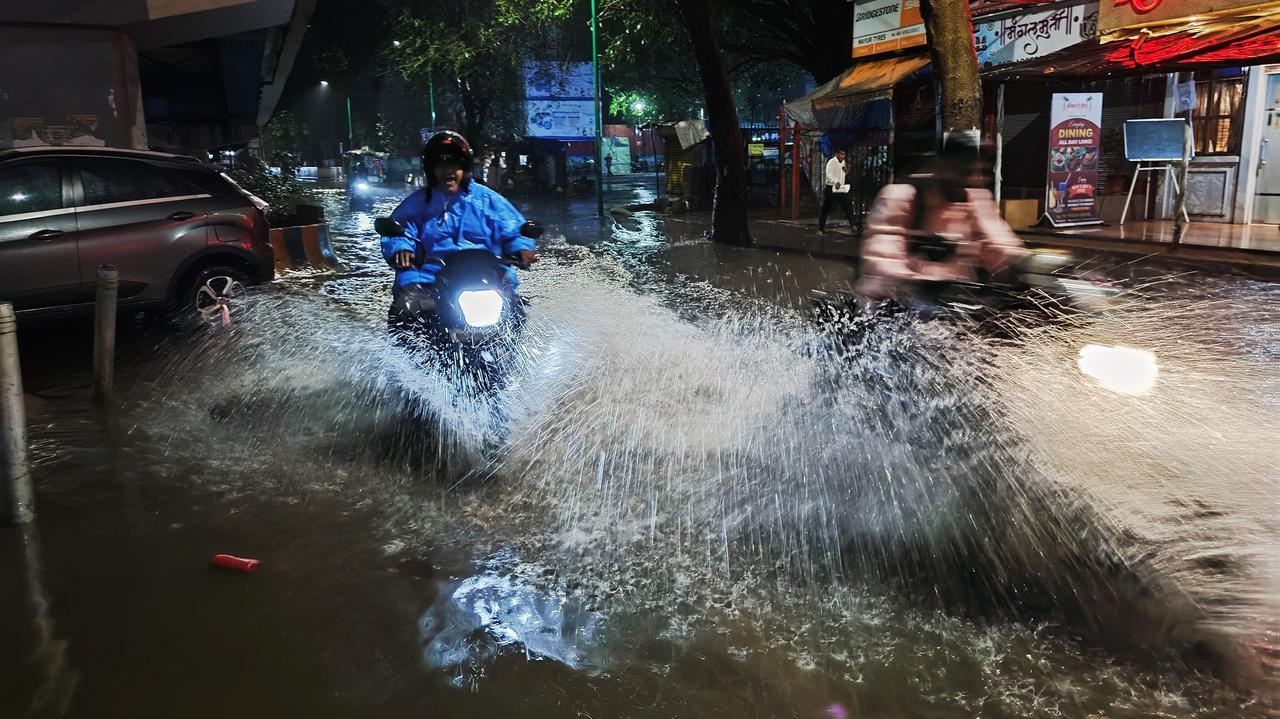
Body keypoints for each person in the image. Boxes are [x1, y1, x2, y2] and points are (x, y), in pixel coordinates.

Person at [382, 131, 539, 333]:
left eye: (454, 164)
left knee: (516, 312)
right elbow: (399, 231)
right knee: (405, 313)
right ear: (431, 169)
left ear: (464, 168)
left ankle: (515, 357)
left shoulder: (488, 200)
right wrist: (401, 249)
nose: (448, 170)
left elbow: (514, 228)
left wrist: (522, 249)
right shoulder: (415, 205)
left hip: (487, 277)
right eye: (441, 165)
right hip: (429, 281)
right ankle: (409, 362)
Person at [856, 137, 1025, 308]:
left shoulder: (974, 201)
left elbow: (998, 242)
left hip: (947, 305)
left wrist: (1017, 261)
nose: (971, 179)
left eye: (974, 172)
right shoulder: (900, 197)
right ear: (941, 165)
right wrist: (926, 275)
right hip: (889, 305)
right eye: (961, 170)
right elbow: (882, 258)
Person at [818, 148, 857, 234]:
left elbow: (842, 174)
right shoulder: (831, 162)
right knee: (826, 208)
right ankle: (820, 229)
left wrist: (846, 172)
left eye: (844, 155)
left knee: (847, 206)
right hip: (831, 188)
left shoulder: (843, 162)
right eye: (841, 154)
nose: (843, 156)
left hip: (840, 188)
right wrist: (835, 182)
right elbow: (829, 175)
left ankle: (854, 225)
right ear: (837, 154)